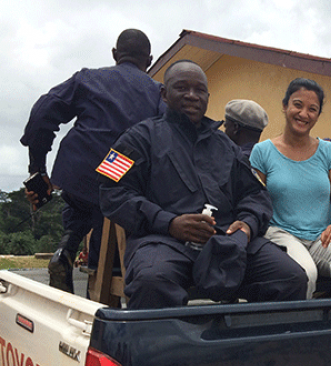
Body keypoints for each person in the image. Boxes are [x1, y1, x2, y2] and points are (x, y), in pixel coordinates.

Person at [97, 60, 307, 309]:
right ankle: (167, 348)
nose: (192, 96)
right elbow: (111, 192)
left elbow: (255, 194)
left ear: (208, 97)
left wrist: (248, 224)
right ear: (164, 94)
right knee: (152, 281)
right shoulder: (136, 138)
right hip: (163, 242)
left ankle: (258, 347)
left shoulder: (227, 145)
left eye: (199, 90)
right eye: (182, 88)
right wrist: (169, 222)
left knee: (290, 277)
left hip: (227, 242)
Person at [20, 29, 166, 293]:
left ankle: (66, 248)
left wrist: (37, 169)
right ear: (150, 60)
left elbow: (42, 113)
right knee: (109, 216)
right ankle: (99, 283)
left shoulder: (88, 79)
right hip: (121, 175)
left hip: (78, 169)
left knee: (83, 205)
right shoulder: (158, 93)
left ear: (114, 54)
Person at [250, 78, 331, 299]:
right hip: (281, 234)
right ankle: (304, 329)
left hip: (321, 235)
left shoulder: (328, 151)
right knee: (306, 272)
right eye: (298, 105)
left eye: (313, 109)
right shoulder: (262, 151)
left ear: (318, 115)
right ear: (285, 106)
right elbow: (253, 199)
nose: (304, 114)